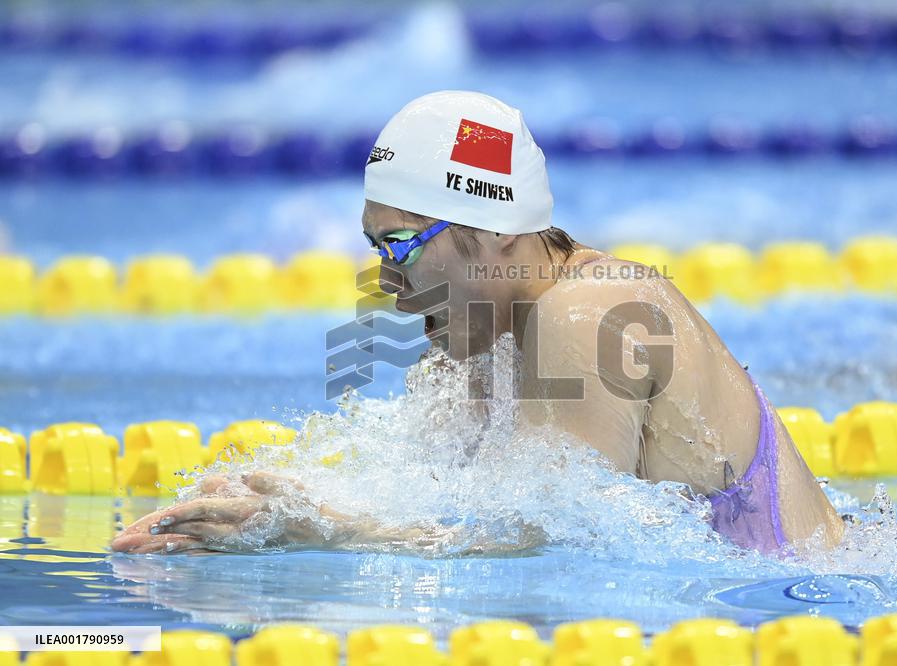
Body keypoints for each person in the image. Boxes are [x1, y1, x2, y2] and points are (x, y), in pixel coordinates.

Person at [112, 91, 843, 557]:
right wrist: (261, 506)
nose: (387, 281)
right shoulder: (477, 340)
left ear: (494, 232)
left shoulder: (587, 313)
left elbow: (566, 545)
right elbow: (443, 505)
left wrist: (329, 530)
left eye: (401, 246)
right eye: (377, 247)